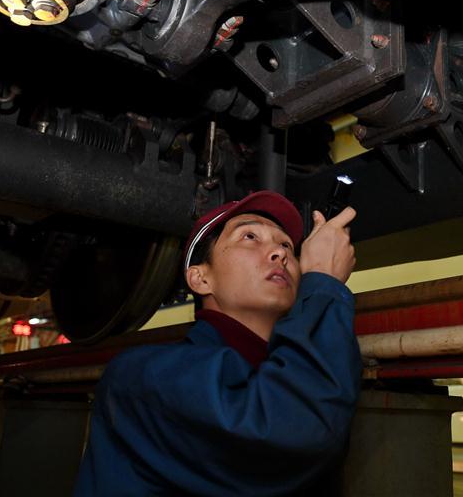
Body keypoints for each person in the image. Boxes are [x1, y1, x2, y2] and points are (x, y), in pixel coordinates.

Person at [73, 190, 362, 496]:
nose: (280, 253)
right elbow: (291, 430)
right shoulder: (143, 376)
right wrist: (322, 283)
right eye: (250, 237)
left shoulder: (297, 367)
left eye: (287, 245)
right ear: (200, 279)